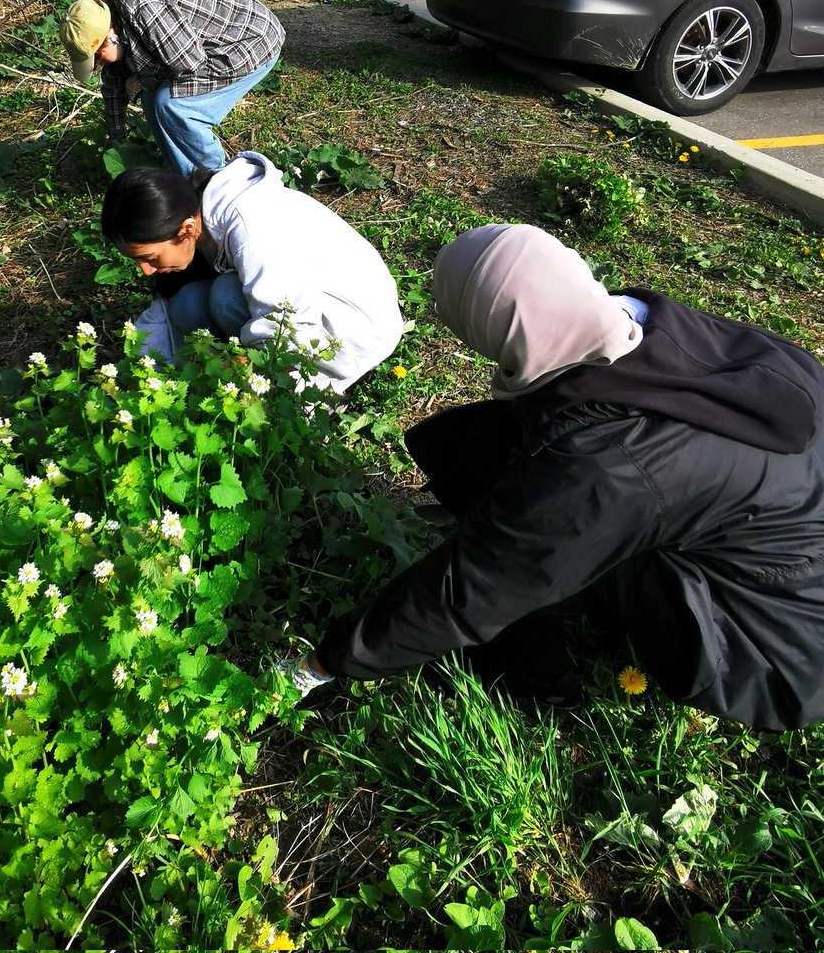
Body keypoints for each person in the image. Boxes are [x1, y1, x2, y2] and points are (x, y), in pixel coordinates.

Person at [281, 223, 824, 732]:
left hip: (779, 654)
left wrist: (325, 660)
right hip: (791, 556)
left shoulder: (611, 466)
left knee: (542, 541)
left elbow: (472, 591)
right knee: (512, 462)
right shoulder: (660, 325)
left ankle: (544, 687)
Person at [101, 152, 403, 393]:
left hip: (355, 326)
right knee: (187, 302)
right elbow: (165, 311)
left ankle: (300, 396)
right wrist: (134, 368)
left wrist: (241, 374)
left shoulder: (253, 229)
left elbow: (290, 328)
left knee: (224, 296)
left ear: (187, 229)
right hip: (308, 305)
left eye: (149, 258)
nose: (143, 271)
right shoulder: (193, 215)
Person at [62, 0, 284, 176]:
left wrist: (142, 80)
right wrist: (117, 139)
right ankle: (186, 178)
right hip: (208, 50)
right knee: (151, 99)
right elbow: (113, 86)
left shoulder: (140, 5)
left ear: (107, 39)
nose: (98, 66)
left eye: (97, 59)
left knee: (172, 104)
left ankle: (216, 181)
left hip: (249, 40)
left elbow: (191, 64)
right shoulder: (117, 26)